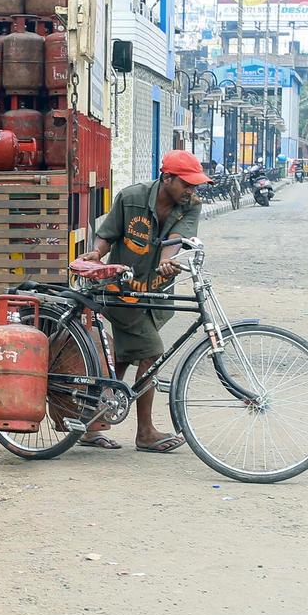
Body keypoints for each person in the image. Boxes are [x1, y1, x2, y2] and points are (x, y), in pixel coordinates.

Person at [74, 150, 208, 453]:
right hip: (122, 289)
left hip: (155, 293)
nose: (191, 190)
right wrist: (97, 253)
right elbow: (108, 233)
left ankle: (92, 424)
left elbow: (176, 239)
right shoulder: (131, 196)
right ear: (167, 178)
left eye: (195, 185)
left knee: (124, 356)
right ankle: (145, 432)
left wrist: (166, 262)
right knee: (151, 353)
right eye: (186, 184)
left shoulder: (191, 205)